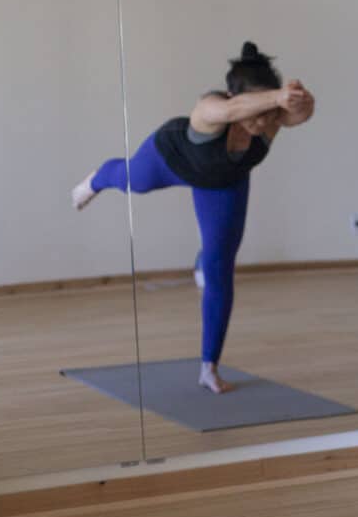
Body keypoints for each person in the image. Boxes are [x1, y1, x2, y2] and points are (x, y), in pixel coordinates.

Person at [72, 42, 315, 394]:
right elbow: (232, 109)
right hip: (169, 159)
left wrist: (300, 100)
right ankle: (96, 179)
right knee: (129, 182)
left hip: (222, 183)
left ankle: (208, 367)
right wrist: (276, 97)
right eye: (256, 112)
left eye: (269, 115)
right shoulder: (210, 108)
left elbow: (299, 115)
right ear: (235, 96)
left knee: (220, 265)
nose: (262, 123)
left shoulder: (271, 118)